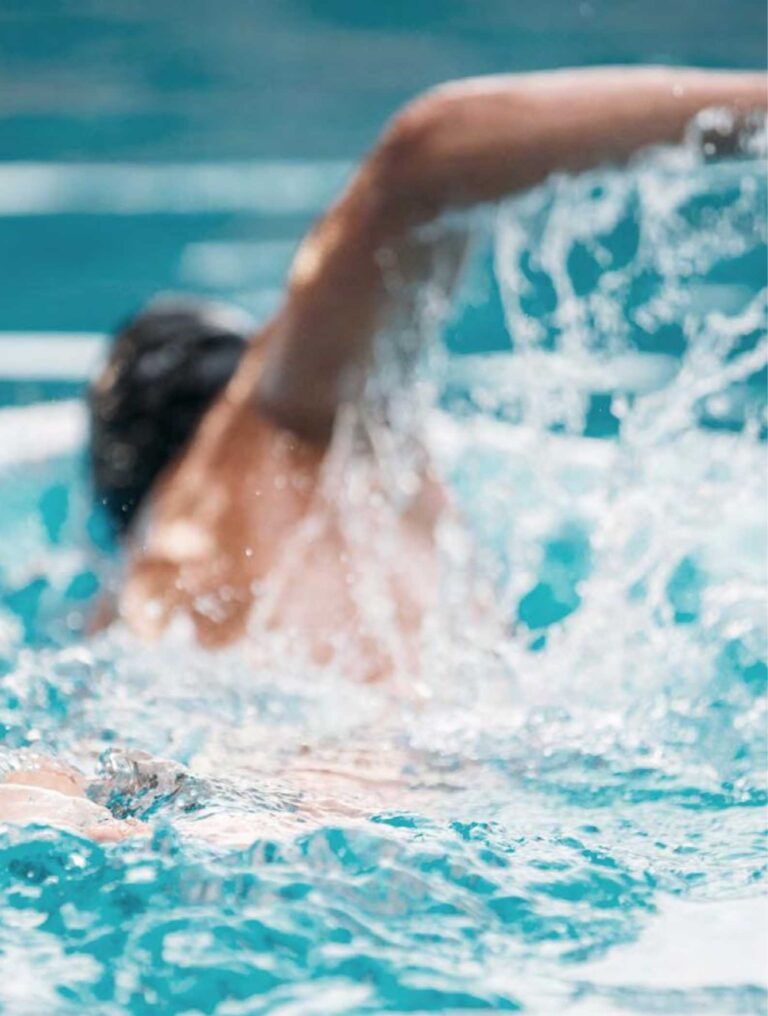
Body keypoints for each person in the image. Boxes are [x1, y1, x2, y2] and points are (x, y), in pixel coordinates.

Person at [1, 66, 765, 838]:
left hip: (161, 791)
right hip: (352, 788)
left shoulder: (124, 601)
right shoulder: (295, 429)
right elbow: (425, 152)